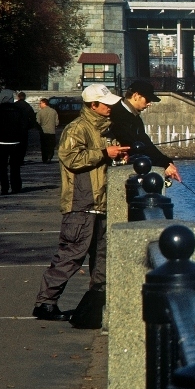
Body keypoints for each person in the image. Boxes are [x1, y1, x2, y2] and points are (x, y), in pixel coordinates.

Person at [32, 84, 129, 321]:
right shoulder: (76, 129)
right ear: (92, 105)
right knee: (71, 255)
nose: (110, 107)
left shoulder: (106, 129)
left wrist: (118, 156)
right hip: (80, 203)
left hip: (102, 203)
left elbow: (101, 159)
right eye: (105, 104)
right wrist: (106, 153)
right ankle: (45, 303)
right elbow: (72, 159)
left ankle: (97, 303)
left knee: (102, 257)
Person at [109, 79, 181, 182]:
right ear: (136, 96)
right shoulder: (118, 114)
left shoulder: (134, 116)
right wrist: (164, 164)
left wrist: (166, 162)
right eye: (147, 99)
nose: (149, 104)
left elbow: (145, 142)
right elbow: (134, 144)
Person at [0, 89, 32, 195]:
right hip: (15, 143)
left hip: (0, 142)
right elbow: (24, 126)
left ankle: (4, 188)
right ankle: (16, 187)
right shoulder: (19, 110)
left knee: (2, 167)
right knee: (15, 166)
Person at [36, 97, 59, 163]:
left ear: (44, 103)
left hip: (43, 132)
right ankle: (50, 157)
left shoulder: (40, 112)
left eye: (40, 103)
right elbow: (57, 122)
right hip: (52, 131)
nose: (39, 105)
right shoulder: (54, 111)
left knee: (44, 146)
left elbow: (38, 122)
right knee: (51, 146)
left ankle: (44, 158)